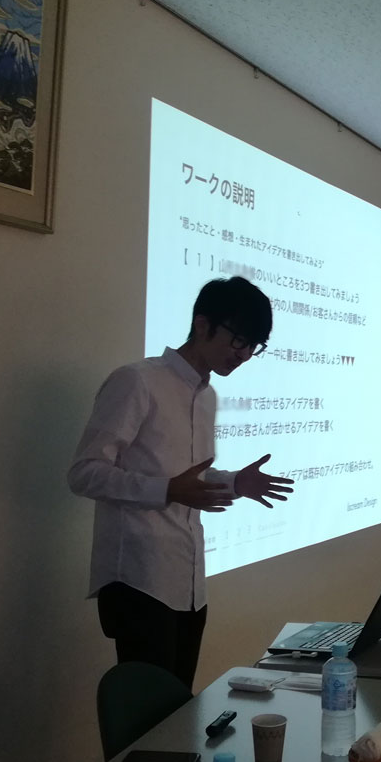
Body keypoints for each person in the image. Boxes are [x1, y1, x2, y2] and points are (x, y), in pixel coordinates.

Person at [67, 276, 294, 688]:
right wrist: (167, 490)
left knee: (178, 712)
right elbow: (85, 473)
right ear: (202, 325)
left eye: (254, 346)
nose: (244, 355)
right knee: (147, 718)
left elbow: (189, 478)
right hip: (138, 580)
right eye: (239, 340)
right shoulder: (137, 381)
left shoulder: (207, 396)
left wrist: (235, 483)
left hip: (188, 582)